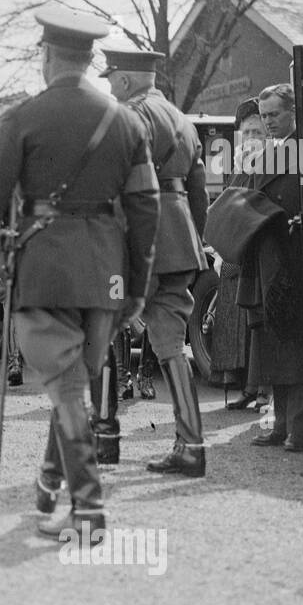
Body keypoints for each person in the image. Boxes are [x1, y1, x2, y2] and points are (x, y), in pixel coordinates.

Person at [0, 4, 159, 538]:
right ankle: (49, 486)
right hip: (106, 275)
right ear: (91, 59)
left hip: (44, 271)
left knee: (70, 391)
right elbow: (146, 207)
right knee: (74, 383)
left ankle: (90, 510)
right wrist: (137, 286)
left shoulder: (24, 118)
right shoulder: (126, 121)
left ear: (48, 55)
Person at [103, 48, 208, 477]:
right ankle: (191, 444)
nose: (108, 87)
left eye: (111, 79)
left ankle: (105, 437)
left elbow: (118, 184)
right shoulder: (181, 119)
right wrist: (193, 241)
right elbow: (198, 190)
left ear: (126, 81)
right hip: (179, 239)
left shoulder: (130, 116)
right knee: (170, 344)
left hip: (137, 239)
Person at [242, 83, 303, 452]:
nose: (269, 122)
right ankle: (279, 426)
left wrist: (302, 221)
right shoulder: (263, 154)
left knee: (296, 346)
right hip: (267, 258)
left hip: (295, 259)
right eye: (264, 116)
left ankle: (299, 431)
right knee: (273, 344)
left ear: (292, 112)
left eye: (275, 114)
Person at [207, 97, 266, 409]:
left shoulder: (272, 162)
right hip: (235, 249)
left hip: (257, 248)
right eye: (248, 134)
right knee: (234, 315)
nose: (253, 139)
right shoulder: (238, 166)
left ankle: (262, 388)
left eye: (258, 132)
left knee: (259, 321)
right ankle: (245, 385)